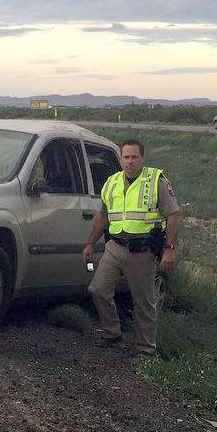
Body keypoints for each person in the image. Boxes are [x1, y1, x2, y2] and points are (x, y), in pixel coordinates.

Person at [83, 139, 180, 357]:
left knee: (143, 303)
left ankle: (146, 349)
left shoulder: (156, 181)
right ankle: (112, 333)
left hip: (142, 251)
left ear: (142, 158)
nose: (130, 161)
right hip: (114, 247)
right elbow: (103, 215)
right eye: (126, 157)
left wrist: (169, 249)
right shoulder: (112, 182)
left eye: (134, 157)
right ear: (120, 159)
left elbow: (172, 215)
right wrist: (90, 242)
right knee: (97, 289)